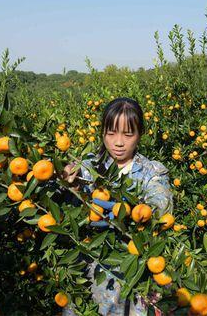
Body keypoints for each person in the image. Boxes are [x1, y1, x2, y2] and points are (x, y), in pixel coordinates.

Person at [62, 97, 173, 315]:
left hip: (133, 273)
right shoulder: (87, 167)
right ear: (102, 132)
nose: (118, 142)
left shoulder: (152, 172)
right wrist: (70, 186)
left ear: (140, 134)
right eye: (111, 133)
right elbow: (67, 211)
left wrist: (132, 212)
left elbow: (160, 204)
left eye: (128, 134)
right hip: (89, 269)